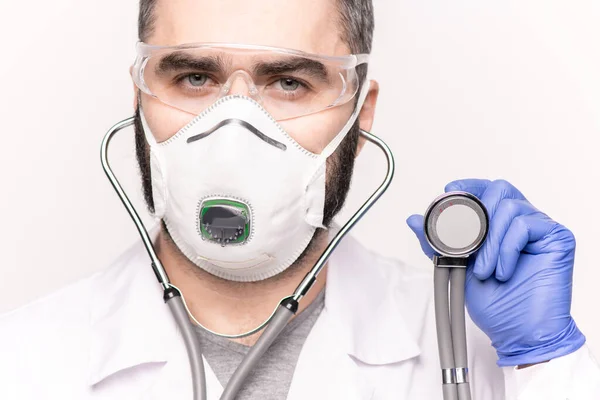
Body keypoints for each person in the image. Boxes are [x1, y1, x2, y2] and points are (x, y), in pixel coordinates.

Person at [1, 0, 599, 399]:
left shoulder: (474, 354)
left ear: (361, 116)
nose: (234, 127)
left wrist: (542, 363)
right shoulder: (23, 364)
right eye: (194, 78)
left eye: (289, 83)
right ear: (139, 99)